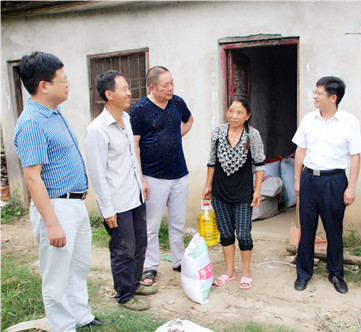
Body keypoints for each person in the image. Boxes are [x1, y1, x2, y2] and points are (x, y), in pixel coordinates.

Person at [13, 51, 100, 331]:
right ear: (44, 86)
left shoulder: (54, 113)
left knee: (78, 267)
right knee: (57, 275)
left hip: (74, 203)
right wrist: (52, 224)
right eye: (63, 79)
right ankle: (62, 326)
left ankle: (81, 316)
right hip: (55, 206)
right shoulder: (32, 124)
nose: (68, 84)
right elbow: (32, 178)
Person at [85, 70, 157, 311]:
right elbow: (97, 173)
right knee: (123, 249)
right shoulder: (97, 130)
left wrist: (141, 183)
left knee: (140, 244)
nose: (129, 93)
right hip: (117, 203)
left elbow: (131, 158)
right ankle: (124, 295)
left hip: (134, 195)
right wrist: (107, 210)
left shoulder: (126, 119)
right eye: (124, 88)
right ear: (109, 94)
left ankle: (135, 283)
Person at [292, 76, 361, 294]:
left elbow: (355, 156)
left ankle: (336, 274)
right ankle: (303, 274)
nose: (314, 96)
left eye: (319, 93)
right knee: (307, 230)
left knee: (334, 231)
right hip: (309, 179)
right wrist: (297, 180)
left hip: (334, 181)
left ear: (333, 97)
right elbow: (300, 151)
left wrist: (351, 186)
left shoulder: (349, 122)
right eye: (314, 92)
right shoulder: (308, 119)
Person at [129, 66, 193, 285]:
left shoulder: (177, 102)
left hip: (179, 173)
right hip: (153, 176)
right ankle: (150, 266)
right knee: (151, 226)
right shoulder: (139, 109)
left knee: (178, 222)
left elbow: (189, 120)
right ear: (152, 87)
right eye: (165, 85)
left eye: (172, 82)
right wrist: (141, 178)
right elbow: (134, 145)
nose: (171, 88)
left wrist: (175, 137)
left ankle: (178, 261)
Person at [202, 96, 265, 290]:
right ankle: (230, 271)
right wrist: (208, 185)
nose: (234, 116)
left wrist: (257, 190)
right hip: (220, 192)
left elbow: (259, 164)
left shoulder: (252, 135)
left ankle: (246, 272)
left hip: (243, 193)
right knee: (226, 233)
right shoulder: (218, 132)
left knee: (244, 234)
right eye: (231, 111)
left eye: (239, 112)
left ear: (247, 116)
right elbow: (212, 161)